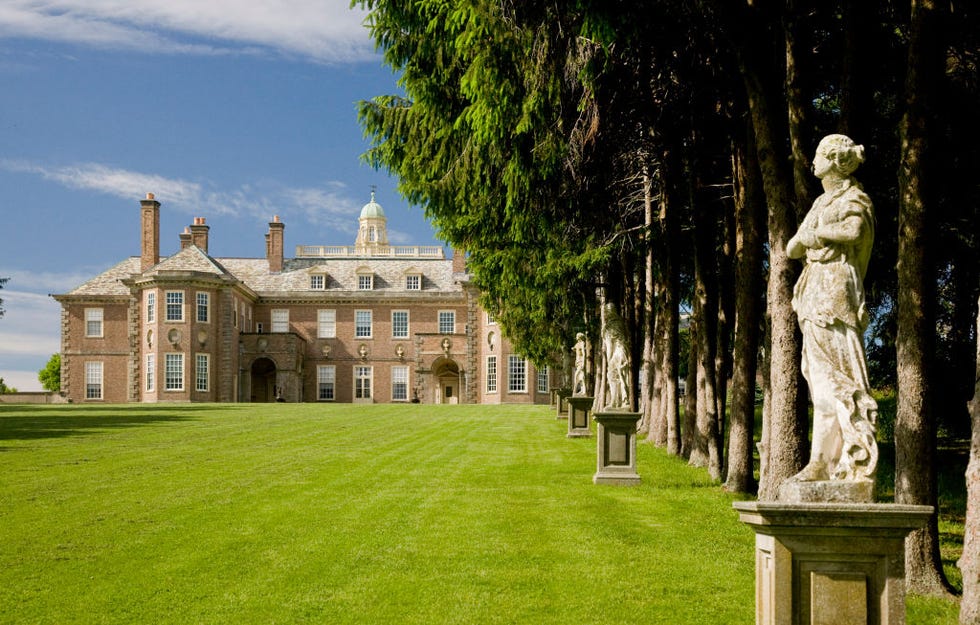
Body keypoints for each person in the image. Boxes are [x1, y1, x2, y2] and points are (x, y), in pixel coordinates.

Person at [786, 134, 878, 482]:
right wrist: (810, 237)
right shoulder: (821, 203)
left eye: (819, 155)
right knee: (821, 383)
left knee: (839, 380)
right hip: (813, 294)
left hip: (836, 294)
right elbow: (791, 247)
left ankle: (848, 459)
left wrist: (816, 235)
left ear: (835, 161)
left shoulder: (854, 198)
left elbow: (853, 231)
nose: (813, 161)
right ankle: (821, 462)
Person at [602, 304, 630, 410]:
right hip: (623, 351)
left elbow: (610, 346)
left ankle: (615, 402)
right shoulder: (620, 323)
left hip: (618, 353)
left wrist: (609, 362)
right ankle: (622, 401)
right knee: (622, 377)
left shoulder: (610, 326)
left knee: (612, 375)